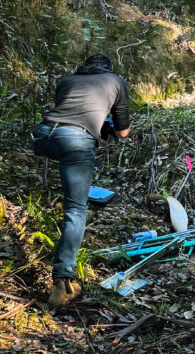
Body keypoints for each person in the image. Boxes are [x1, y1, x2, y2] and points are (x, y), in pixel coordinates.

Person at [31, 53, 130, 308]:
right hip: (74, 141)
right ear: (108, 69)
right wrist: (106, 128)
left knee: (69, 168)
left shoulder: (68, 80)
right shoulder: (116, 81)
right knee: (75, 209)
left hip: (42, 136)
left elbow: (67, 113)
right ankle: (62, 283)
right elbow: (123, 131)